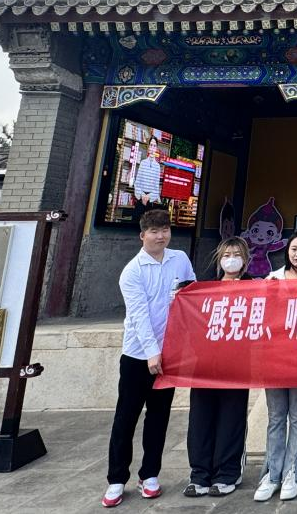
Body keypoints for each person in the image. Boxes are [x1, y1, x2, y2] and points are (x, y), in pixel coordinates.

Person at [102, 209, 196, 509]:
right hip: (137, 355)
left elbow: (192, 294)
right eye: (154, 231)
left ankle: (150, 474)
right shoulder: (132, 271)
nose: (161, 236)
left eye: (165, 230)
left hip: (169, 352)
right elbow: (139, 315)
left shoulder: (179, 259)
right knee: (126, 417)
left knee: (159, 416)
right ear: (142, 235)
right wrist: (151, 353)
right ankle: (117, 478)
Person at [255, 229, 297, 502]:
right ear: (287, 251)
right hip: (274, 357)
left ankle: (293, 473)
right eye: (294, 249)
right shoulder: (273, 279)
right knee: (276, 418)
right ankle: (272, 474)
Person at [184, 238, 252, 498]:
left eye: (236, 254)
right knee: (200, 418)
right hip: (205, 363)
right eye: (227, 254)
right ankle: (199, 474)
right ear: (219, 258)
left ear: (245, 259)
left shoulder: (254, 287)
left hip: (237, 364)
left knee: (231, 418)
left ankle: (227, 473)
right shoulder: (205, 288)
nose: (231, 259)